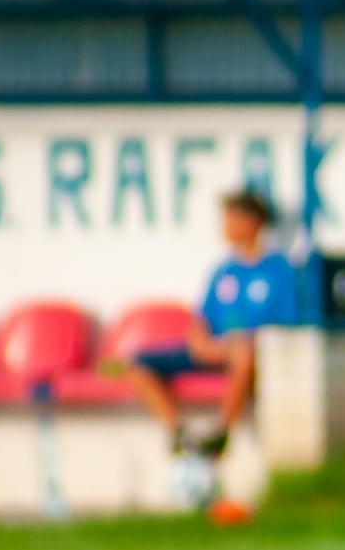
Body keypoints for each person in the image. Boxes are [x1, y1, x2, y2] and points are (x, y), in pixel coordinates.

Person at [126, 190, 299, 456]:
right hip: (215, 349)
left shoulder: (279, 269)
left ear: (251, 222)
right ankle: (177, 430)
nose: (224, 227)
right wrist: (201, 342)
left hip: (245, 352)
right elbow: (201, 318)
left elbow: (285, 325)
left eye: (230, 219)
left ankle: (221, 432)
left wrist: (241, 343)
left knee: (244, 354)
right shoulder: (224, 270)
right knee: (135, 364)